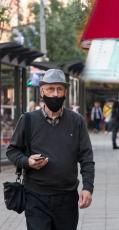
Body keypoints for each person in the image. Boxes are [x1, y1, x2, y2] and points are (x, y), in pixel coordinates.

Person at [6, 69, 95, 230]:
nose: (55, 94)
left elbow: (86, 158)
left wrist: (88, 188)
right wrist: (27, 162)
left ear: (65, 92)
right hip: (35, 197)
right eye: (50, 89)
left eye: (59, 89)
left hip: (67, 198)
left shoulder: (77, 121)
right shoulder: (28, 120)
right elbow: (12, 151)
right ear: (42, 92)